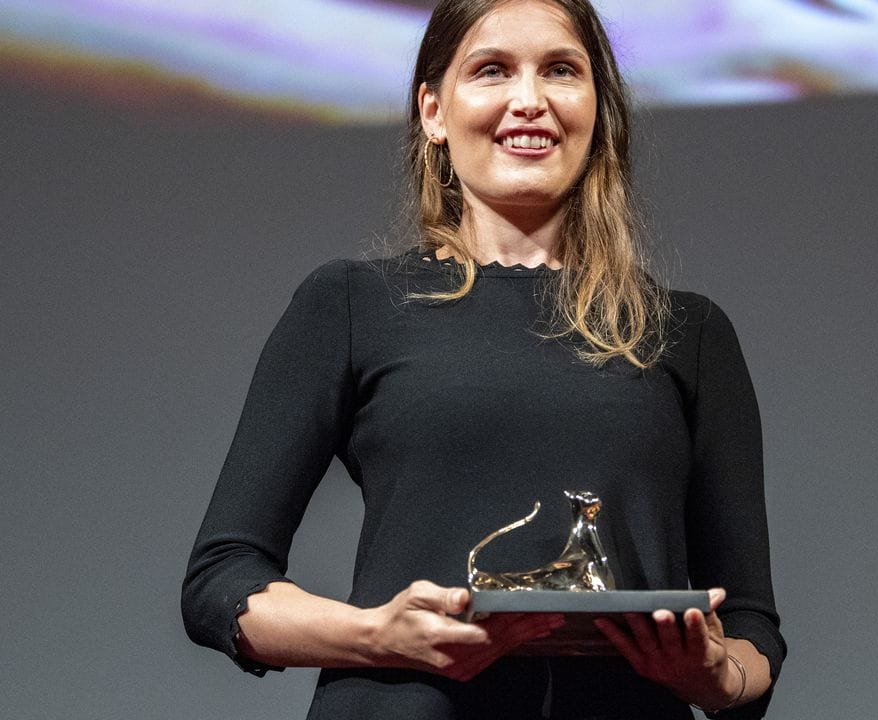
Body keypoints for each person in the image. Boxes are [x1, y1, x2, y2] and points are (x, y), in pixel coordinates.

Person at [181, 1, 785, 717]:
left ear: (599, 109)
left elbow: (750, 629)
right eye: (492, 71)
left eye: (561, 71)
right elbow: (222, 580)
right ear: (434, 111)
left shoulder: (687, 332)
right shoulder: (351, 305)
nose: (528, 102)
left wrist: (712, 676)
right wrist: (378, 635)